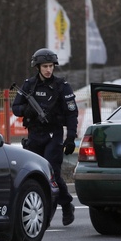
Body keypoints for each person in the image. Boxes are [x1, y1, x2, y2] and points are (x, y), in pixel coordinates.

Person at [12, 48, 78, 226]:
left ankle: (55, 211)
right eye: (45, 66)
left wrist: (71, 138)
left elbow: (72, 113)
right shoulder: (29, 85)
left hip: (53, 135)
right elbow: (15, 107)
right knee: (35, 174)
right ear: (38, 67)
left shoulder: (62, 86)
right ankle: (60, 205)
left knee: (52, 174)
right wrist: (27, 111)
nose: (48, 70)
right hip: (34, 135)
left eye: (51, 66)